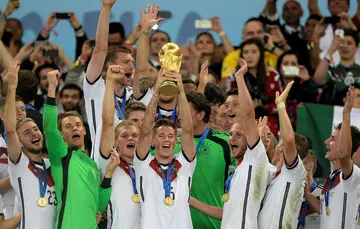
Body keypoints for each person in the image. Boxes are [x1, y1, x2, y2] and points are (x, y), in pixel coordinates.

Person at [190, 59, 269, 229]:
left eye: (235, 104)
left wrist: (239, 77)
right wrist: (192, 202)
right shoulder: (237, 166)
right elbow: (227, 212)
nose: (232, 138)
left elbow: (248, 114)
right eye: (227, 106)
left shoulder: (254, 153)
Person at [43, 69, 119, 229]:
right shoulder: (61, 155)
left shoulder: (92, 164)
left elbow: (100, 204)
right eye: (68, 127)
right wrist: (51, 87)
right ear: (62, 135)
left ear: (84, 130)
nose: (74, 129)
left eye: (78, 125)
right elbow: (49, 127)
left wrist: (109, 173)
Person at [84, 0, 152, 161]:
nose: (131, 66)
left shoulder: (133, 96)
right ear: (109, 65)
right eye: (125, 62)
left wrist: (145, 32)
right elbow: (100, 49)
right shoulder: (95, 87)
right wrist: (106, 8)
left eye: (132, 62)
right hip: (103, 159)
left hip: (133, 161)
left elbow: (142, 69)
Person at [134, 70, 196, 229]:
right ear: (153, 141)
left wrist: (180, 88)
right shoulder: (143, 164)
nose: (166, 139)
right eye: (161, 135)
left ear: (176, 141)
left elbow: (188, 130)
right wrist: (156, 92)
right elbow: (146, 129)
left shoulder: (185, 164)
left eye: (170, 136)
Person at [5, 60, 57, 228]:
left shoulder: (52, 166)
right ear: (19, 142)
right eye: (26, 133)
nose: (34, 133)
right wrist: (12, 87)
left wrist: (52, 89)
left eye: (35, 129)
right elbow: (11, 129)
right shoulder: (19, 165)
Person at [305, 86, 360, 229]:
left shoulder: (352, 176)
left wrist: (346, 114)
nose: (326, 142)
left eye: (333, 139)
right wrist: (307, 179)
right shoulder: (333, 177)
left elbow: (344, 154)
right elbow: (323, 209)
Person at [174, 91, 230, 229]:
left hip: (213, 224)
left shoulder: (225, 143)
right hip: (178, 223)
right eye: (180, 111)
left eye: (186, 111)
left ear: (201, 115)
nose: (180, 116)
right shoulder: (172, 145)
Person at [258, 80, 307, 229]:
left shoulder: (293, 173)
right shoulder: (273, 174)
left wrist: (280, 105)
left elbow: (289, 139)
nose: (275, 147)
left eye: (279, 145)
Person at [99, 65, 141, 229]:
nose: (130, 138)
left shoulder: (149, 166)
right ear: (115, 142)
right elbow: (108, 121)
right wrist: (110, 83)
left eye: (135, 135)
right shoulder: (110, 163)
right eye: (124, 136)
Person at [0, 96, 25, 220]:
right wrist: (18, 174)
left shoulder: (35, 145)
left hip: (31, 213)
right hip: (5, 214)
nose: (21, 114)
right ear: (2, 115)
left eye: (23, 109)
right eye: (15, 110)